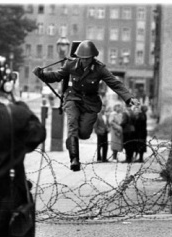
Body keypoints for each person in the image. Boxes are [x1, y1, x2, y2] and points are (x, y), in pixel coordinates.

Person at [33, 40, 139, 171]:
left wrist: (129, 98)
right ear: (78, 57)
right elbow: (57, 76)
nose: (84, 61)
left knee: (83, 133)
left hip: (90, 103)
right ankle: (74, 159)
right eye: (82, 58)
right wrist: (42, 74)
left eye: (87, 59)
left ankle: (71, 143)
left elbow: (114, 83)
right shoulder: (70, 64)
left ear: (93, 57)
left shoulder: (99, 69)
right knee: (72, 125)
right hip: (73, 98)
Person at [0, 58, 46, 237]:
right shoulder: (14, 115)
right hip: (8, 202)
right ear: (1, 83)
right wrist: (16, 100)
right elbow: (37, 134)